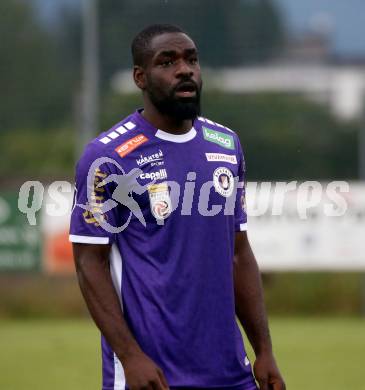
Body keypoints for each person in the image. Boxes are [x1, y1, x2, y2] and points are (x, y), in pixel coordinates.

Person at [70, 24, 285, 390]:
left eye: (191, 60)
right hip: (153, 375)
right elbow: (90, 262)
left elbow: (238, 254)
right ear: (141, 76)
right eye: (167, 62)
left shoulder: (226, 144)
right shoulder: (108, 157)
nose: (184, 69)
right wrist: (130, 357)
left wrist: (264, 350)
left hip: (231, 374)